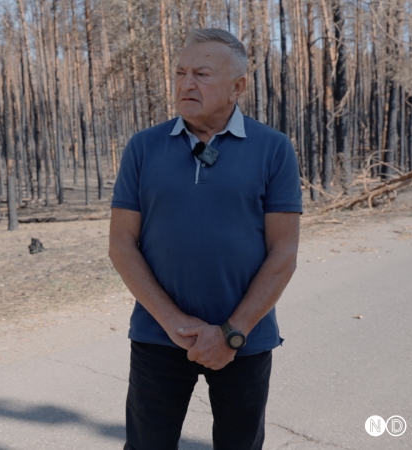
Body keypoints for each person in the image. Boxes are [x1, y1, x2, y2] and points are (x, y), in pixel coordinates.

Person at [108, 28, 302, 450]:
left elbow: (284, 252)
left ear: (238, 87)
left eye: (201, 73)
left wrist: (232, 332)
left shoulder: (273, 149)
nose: (186, 84)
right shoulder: (143, 148)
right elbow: (121, 245)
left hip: (244, 342)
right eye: (180, 73)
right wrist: (175, 323)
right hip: (158, 336)